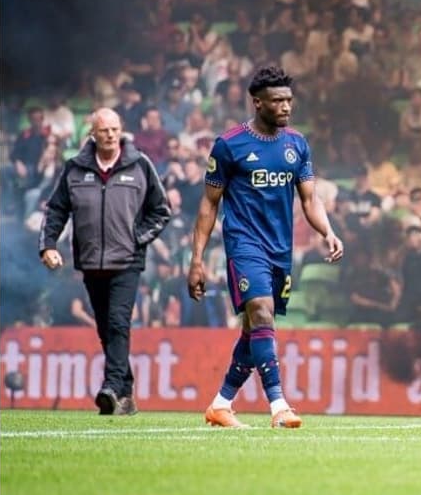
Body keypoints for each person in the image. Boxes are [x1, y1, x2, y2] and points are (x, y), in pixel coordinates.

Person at [187, 66, 344, 429]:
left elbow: (309, 200)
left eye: (289, 100)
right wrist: (196, 260)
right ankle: (279, 406)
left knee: (254, 328)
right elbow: (209, 204)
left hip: (279, 250)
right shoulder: (229, 145)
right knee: (260, 311)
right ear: (257, 103)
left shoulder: (296, 145)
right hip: (244, 244)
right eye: (277, 101)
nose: (286, 107)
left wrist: (328, 231)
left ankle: (221, 403)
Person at [39, 108, 172, 416]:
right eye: (104, 130)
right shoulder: (74, 169)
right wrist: (48, 245)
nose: (110, 135)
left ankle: (110, 387)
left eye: (115, 129)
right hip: (90, 262)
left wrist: (136, 238)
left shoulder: (140, 165)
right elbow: (56, 210)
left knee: (117, 322)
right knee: (104, 327)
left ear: (121, 131)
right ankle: (125, 393)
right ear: (93, 134)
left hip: (127, 260)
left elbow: (161, 210)